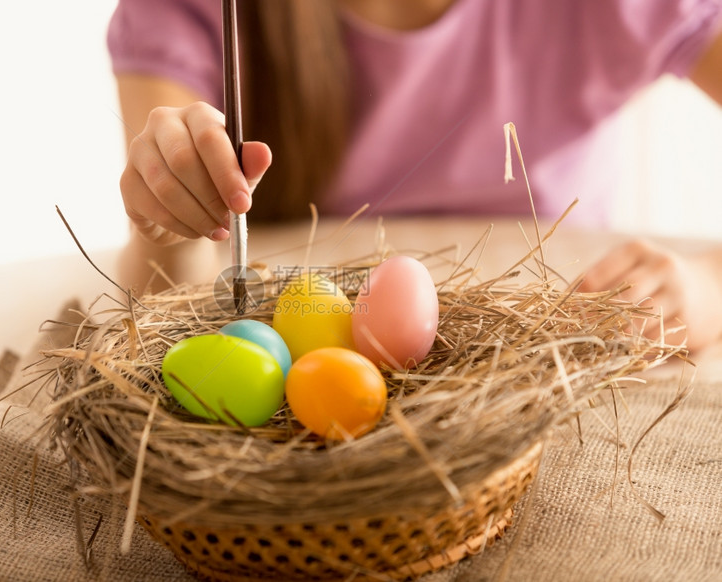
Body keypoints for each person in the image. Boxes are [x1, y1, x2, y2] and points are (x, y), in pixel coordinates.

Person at [106, 0, 722, 350]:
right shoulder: (199, 10)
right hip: (286, 345)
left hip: (560, 347)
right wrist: (176, 207)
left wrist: (707, 289)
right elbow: (169, 293)